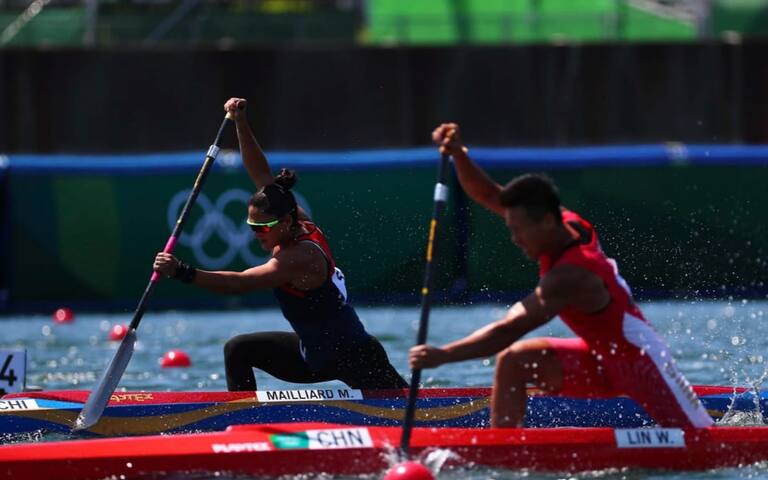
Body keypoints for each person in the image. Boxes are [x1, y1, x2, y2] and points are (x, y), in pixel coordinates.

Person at [409, 122, 713, 429]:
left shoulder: (569, 276)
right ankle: (506, 446)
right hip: (599, 360)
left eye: (518, 230)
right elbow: (489, 194)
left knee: (701, 440)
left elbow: (507, 331)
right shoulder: (564, 222)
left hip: (641, 362)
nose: (515, 239)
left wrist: (442, 355)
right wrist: (459, 155)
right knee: (515, 362)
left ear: (545, 222)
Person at [154, 98, 406, 392]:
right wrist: (241, 123)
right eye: (252, 226)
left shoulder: (300, 256)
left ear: (285, 222)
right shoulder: (290, 217)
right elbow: (261, 174)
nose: (256, 233)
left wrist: (182, 271)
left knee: (414, 410)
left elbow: (239, 284)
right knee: (238, 350)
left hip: (355, 357)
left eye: (263, 227)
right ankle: (244, 416)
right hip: (313, 355)